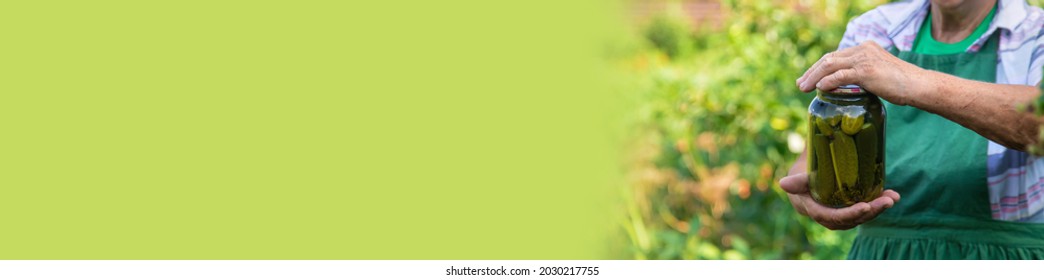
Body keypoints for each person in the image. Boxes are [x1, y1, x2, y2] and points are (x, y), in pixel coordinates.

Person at [780, 0, 1044, 259]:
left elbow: (1038, 124)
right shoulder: (873, 29)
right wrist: (812, 196)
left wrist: (912, 81)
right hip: (882, 255)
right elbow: (810, 157)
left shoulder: (1035, 31)